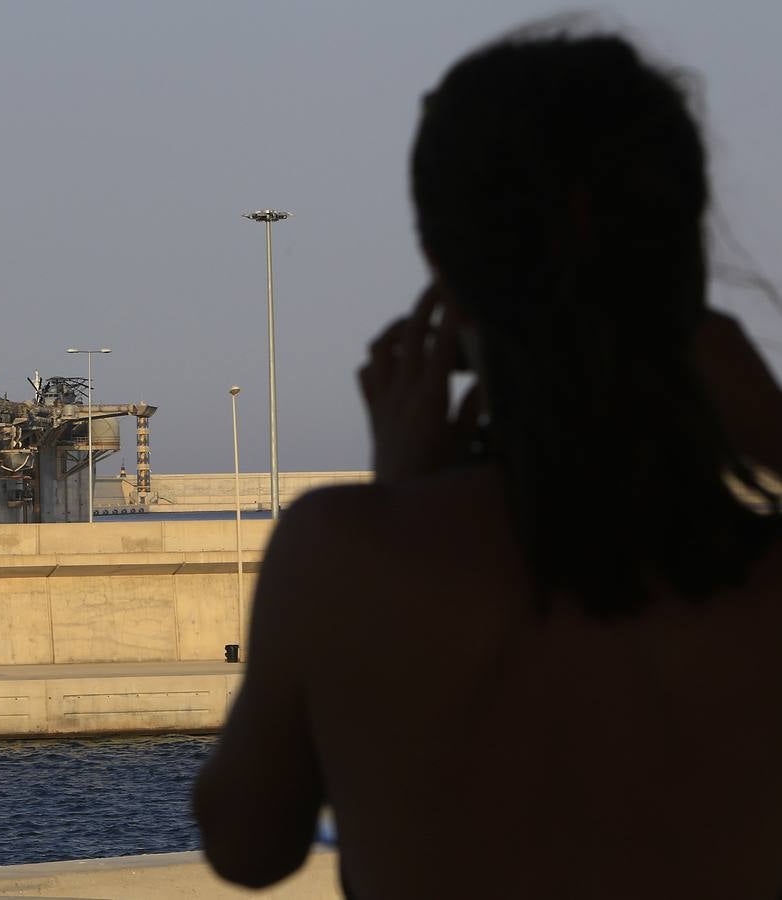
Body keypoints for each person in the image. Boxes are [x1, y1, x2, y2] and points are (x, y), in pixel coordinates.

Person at [193, 26, 782, 900]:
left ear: (442, 270)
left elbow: (247, 847)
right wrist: (772, 429)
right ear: (684, 254)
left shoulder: (338, 559)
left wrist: (397, 502)